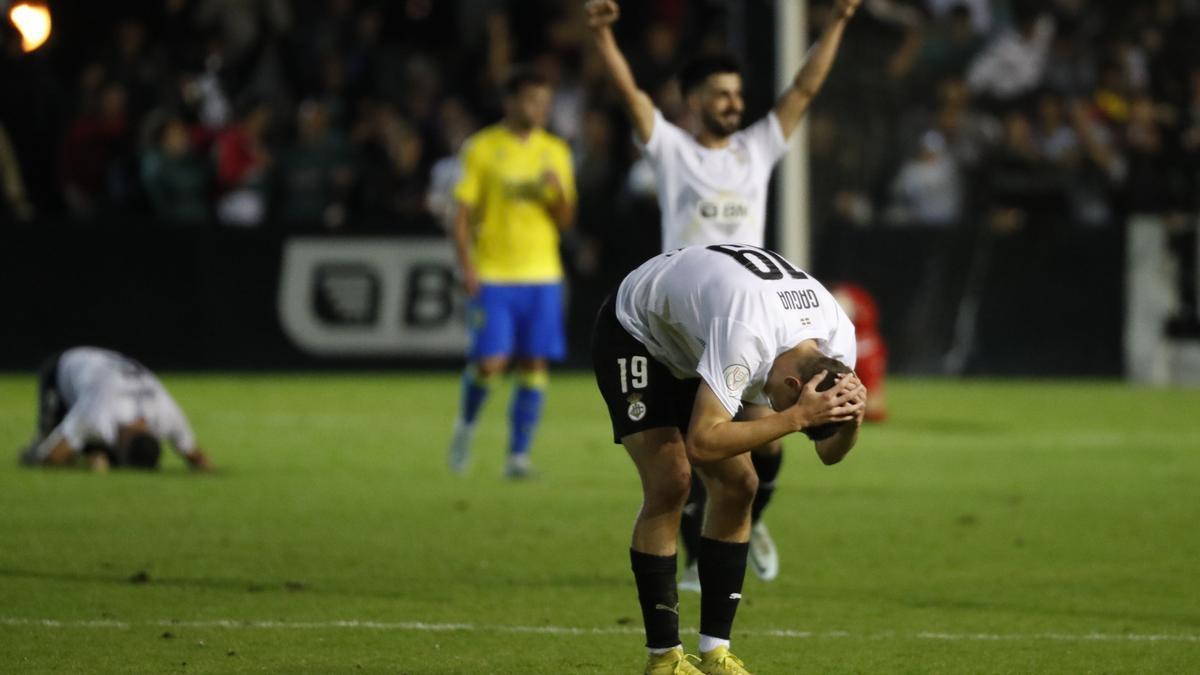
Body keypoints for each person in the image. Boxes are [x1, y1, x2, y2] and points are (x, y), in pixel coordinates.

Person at [586, 0, 862, 590]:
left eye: (737, 94)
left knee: (767, 454)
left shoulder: (754, 151)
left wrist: (836, 22)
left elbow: (803, 92)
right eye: (720, 94)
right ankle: (693, 561)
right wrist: (604, 36)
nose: (735, 103)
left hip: (754, 327)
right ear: (693, 101)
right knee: (697, 458)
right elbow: (632, 95)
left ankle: (745, 525)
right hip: (689, 324)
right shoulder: (672, 151)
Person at [592, 244, 866, 674]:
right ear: (795, 385)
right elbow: (703, 443)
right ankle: (663, 659)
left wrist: (851, 419)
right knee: (672, 480)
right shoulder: (747, 333)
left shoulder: (838, 344)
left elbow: (828, 456)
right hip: (638, 330)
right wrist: (795, 418)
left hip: (697, 338)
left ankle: (715, 654)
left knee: (741, 486)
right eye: (791, 404)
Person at [447, 67, 577, 478]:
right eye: (531, 100)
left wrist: (556, 192)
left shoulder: (556, 150)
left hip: (542, 274)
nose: (539, 108)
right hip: (494, 274)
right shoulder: (483, 148)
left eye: (544, 101)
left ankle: (518, 457)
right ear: (511, 103)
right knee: (490, 363)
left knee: (535, 364)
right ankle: (465, 427)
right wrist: (467, 267)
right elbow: (462, 214)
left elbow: (566, 219)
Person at [19, 347, 211, 472]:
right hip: (64, 368)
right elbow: (52, 459)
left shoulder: (167, 416)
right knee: (45, 445)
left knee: (89, 447)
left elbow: (196, 456)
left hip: (105, 374)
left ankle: (94, 451)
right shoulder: (99, 411)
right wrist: (86, 462)